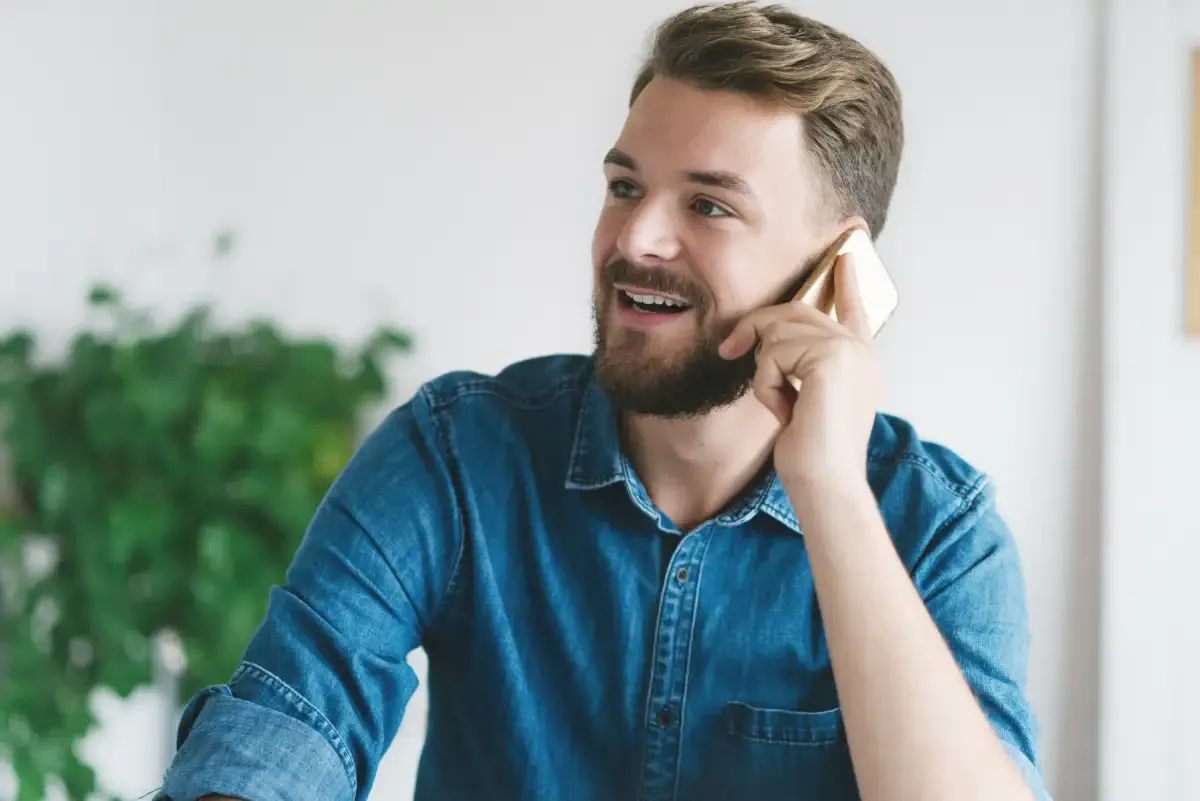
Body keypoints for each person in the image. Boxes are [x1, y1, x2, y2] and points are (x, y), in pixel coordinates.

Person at [156, 3, 1049, 800]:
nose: (634, 238)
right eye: (626, 186)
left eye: (708, 205)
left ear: (835, 270)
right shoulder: (457, 453)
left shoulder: (940, 532)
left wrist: (831, 491)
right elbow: (292, 716)